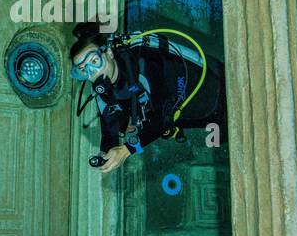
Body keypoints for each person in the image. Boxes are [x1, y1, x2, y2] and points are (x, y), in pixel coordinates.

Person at [69, 20, 224, 174]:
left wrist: (126, 150)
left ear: (109, 53)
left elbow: (162, 118)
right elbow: (110, 131)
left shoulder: (144, 62)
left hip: (218, 86)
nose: (93, 72)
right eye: (84, 70)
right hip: (202, 117)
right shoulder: (103, 92)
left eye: (94, 61)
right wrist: (106, 153)